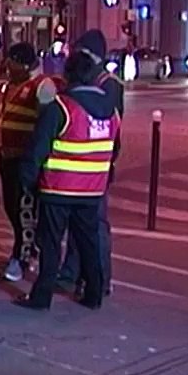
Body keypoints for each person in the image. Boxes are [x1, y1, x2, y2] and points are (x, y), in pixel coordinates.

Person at [16, 48, 121, 311]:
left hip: (58, 188)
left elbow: (37, 149)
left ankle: (41, 297)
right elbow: (114, 149)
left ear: (69, 75)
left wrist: (27, 180)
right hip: (92, 189)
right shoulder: (111, 111)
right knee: (88, 242)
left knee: (50, 244)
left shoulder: (60, 107)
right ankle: (93, 294)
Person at [56, 30, 122, 297]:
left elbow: (110, 127)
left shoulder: (108, 84)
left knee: (94, 225)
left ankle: (100, 278)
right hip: (80, 167)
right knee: (79, 224)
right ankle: (73, 273)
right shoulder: (83, 78)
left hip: (94, 166)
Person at [0, 42, 59, 282]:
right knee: (12, 209)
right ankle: (24, 251)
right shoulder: (9, 85)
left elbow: (45, 125)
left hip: (25, 160)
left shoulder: (41, 87)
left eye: (11, 61)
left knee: (25, 212)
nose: (7, 66)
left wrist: (35, 160)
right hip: (7, 157)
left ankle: (22, 259)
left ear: (23, 63)